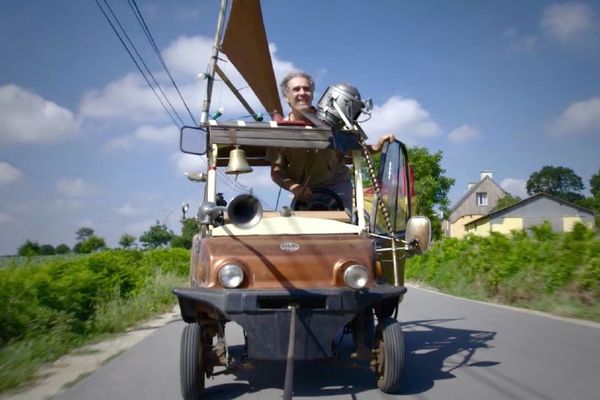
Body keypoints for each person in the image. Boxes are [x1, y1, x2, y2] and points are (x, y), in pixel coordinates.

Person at [267, 71, 393, 211]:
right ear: (286, 97)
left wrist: (377, 146)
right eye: (296, 89)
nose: (302, 93)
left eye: (306, 89)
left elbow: (354, 152)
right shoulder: (279, 131)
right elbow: (276, 171)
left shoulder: (335, 121)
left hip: (338, 189)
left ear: (312, 94)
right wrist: (294, 187)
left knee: (344, 229)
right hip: (304, 193)